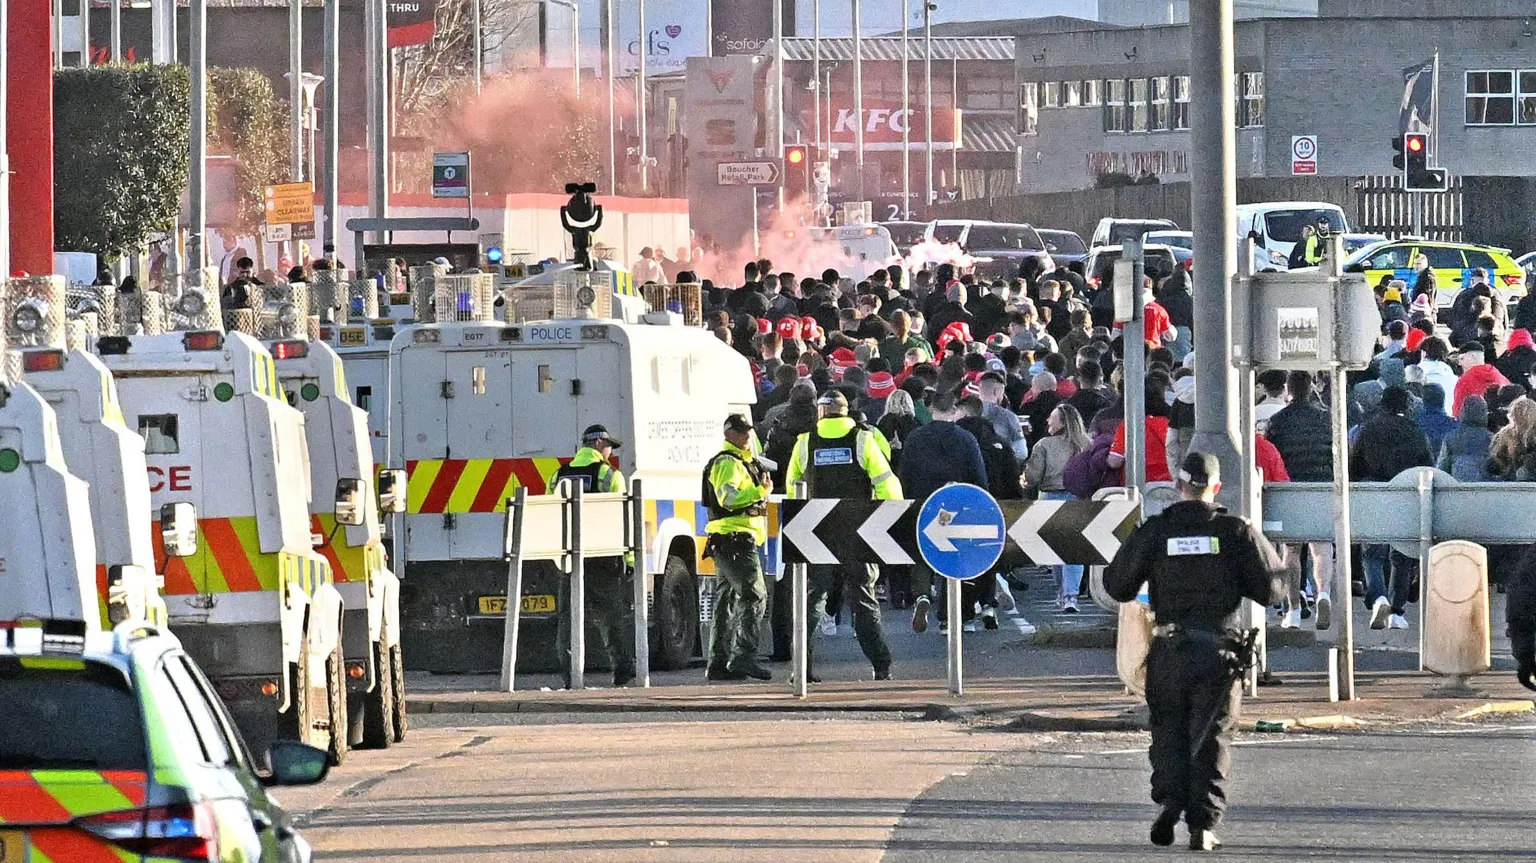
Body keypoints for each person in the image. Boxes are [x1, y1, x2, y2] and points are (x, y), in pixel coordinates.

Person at [1104, 451, 1285, 853]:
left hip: (1170, 647)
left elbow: (1118, 585)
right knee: (1213, 736)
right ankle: (1202, 825)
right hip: (1219, 651)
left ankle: (1171, 801)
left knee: (1167, 729)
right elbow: (1272, 590)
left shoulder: (1157, 530)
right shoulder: (1236, 531)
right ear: (1216, 487)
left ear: (1177, 485)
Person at [785, 391, 902, 681]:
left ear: (821, 413)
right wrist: (894, 520)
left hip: (816, 533)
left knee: (813, 600)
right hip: (857, 533)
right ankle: (881, 665)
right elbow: (887, 485)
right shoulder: (863, 440)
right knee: (863, 598)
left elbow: (792, 488)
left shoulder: (805, 442)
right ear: (846, 411)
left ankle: (800, 668)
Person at [547, 425, 635, 687]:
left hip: (569, 556)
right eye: (609, 446)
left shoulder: (558, 475)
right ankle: (622, 669)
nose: (610, 452)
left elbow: (554, 512)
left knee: (568, 619)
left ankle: (569, 675)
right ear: (598, 444)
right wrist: (628, 560)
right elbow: (621, 519)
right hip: (602, 555)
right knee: (611, 616)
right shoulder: (610, 475)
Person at [897, 391, 988, 633]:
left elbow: (904, 473)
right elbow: (978, 477)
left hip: (923, 502)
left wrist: (907, 501)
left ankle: (922, 594)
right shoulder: (966, 439)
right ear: (953, 409)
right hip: (954, 505)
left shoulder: (916, 438)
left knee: (921, 551)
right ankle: (949, 614)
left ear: (931, 408)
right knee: (951, 557)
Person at [1350, 386, 1432, 630]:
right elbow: (1426, 464)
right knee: (1402, 555)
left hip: (1375, 493)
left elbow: (1355, 464)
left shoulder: (1369, 428)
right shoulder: (1415, 430)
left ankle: (1379, 597)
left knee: (1372, 554)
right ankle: (1397, 611)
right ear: (1406, 406)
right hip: (1406, 495)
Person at [701, 414, 774, 681]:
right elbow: (729, 498)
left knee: (727, 602)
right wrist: (761, 492)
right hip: (734, 540)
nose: (746, 436)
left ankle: (718, 663)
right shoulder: (727, 462)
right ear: (728, 434)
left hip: (729, 540)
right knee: (755, 596)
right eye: (740, 432)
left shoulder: (741, 462)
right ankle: (743, 657)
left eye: (748, 431)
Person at [1023, 404, 1093, 613]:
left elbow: (1033, 476)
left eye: (1052, 418)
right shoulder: (1086, 444)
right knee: (1074, 550)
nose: (1048, 422)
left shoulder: (1044, 445)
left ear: (1062, 422)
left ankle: (1061, 592)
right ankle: (1071, 595)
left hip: (1049, 497)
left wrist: (1025, 480)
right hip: (1077, 498)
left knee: (1054, 549)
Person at [1438, 394, 1492, 481]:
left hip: (1458, 486)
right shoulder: (1491, 439)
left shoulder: (1451, 438)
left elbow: (1442, 468)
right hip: (1486, 489)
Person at [1451, 341, 1509, 417]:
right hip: (1499, 423)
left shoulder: (1465, 380)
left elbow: (1457, 411)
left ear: (1471, 357)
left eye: (1461, 359)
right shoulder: (1499, 376)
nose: (1460, 364)